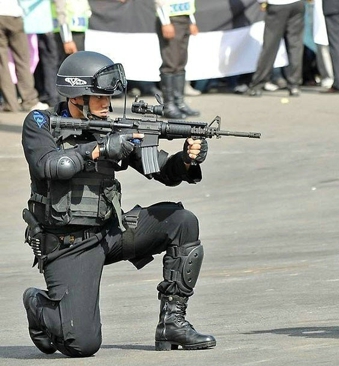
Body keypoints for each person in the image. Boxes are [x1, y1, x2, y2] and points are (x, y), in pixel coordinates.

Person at [21, 51, 216, 357]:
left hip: (111, 232)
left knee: (182, 221)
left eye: (108, 98)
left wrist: (187, 159)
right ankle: (39, 305)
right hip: (67, 244)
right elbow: (52, 165)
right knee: (82, 344)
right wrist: (98, 150)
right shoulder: (40, 123)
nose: (107, 105)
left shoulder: (109, 125)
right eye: (99, 98)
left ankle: (172, 323)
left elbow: (163, 171)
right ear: (77, 95)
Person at [246, 0, 306, 97]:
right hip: (297, 3)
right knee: (295, 45)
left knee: (270, 45)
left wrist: (262, 2)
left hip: (277, 4)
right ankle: (294, 84)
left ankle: (258, 84)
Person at [0, 0, 49, 112]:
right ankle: (29, 100)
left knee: (2, 62)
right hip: (14, 15)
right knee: (22, 60)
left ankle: (10, 103)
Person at [155, 0, 200, 118]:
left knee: (180, 62)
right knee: (170, 63)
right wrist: (165, 22)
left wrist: (191, 20)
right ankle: (168, 105)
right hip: (170, 19)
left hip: (184, 17)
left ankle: (179, 102)